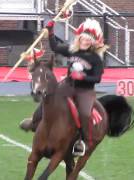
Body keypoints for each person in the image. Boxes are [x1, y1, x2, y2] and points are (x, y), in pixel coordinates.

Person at [20, 18, 108, 156]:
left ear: (93, 42)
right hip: (68, 84)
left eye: (89, 40)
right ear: (79, 39)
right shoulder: (72, 50)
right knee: (48, 97)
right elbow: (55, 47)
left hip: (85, 90)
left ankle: (82, 142)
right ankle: (33, 121)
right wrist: (50, 31)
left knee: (85, 113)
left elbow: (97, 79)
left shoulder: (96, 58)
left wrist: (83, 77)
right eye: (83, 39)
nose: (85, 41)